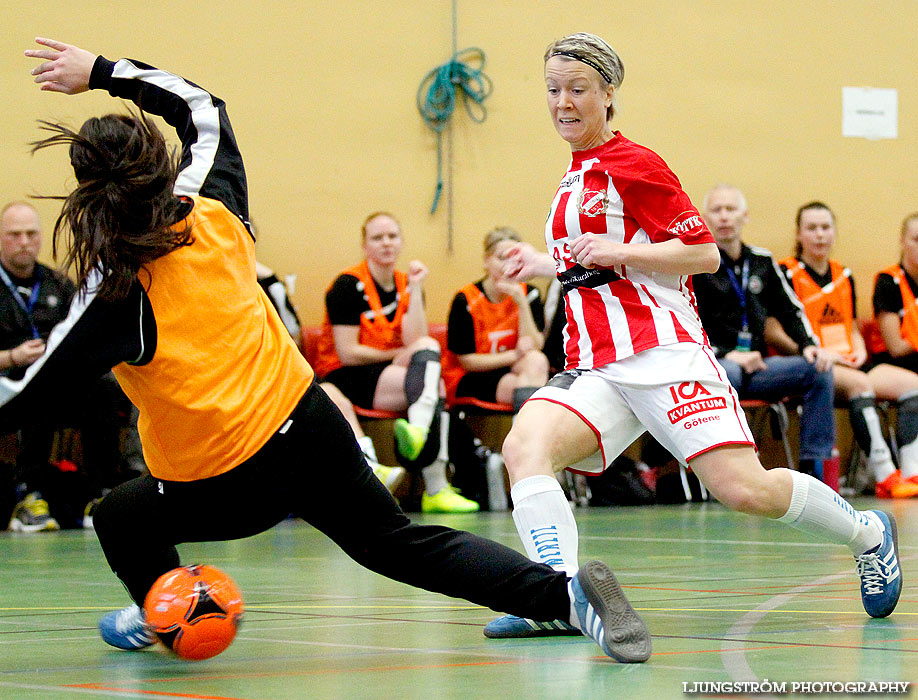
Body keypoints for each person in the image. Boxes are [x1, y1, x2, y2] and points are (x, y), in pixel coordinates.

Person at [10, 38, 652, 664]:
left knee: (124, 517)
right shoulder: (212, 208)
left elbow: (28, 396)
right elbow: (202, 106)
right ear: (157, 165)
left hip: (228, 476)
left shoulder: (115, 293)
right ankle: (566, 597)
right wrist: (99, 70)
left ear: (88, 194)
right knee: (396, 542)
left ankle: (167, 607)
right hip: (311, 422)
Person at [483, 32, 900, 641]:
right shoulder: (574, 175)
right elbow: (597, 262)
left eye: (577, 89)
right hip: (600, 364)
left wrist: (620, 248)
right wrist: (542, 263)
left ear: (607, 94)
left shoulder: (635, 163)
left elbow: (703, 253)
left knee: (745, 490)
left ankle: (868, 532)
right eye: (552, 90)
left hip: (664, 354)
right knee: (525, 448)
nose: (563, 102)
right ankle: (558, 597)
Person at [313, 212, 477, 512]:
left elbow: (418, 340)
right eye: (378, 237)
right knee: (435, 386)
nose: (386, 243)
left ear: (401, 243)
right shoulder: (347, 286)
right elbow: (348, 352)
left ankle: (418, 431)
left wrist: (415, 289)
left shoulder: (405, 282)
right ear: (365, 245)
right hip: (345, 374)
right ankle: (436, 487)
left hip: (387, 374)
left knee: (431, 363)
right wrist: (396, 355)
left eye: (392, 236)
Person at [0, 200, 131, 531]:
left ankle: (100, 495)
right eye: (15, 234)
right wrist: (13, 357)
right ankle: (30, 495)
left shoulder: (57, 283)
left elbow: (86, 334)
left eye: (31, 234)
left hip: (56, 377)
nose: (24, 241)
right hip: (9, 381)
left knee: (103, 386)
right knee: (37, 387)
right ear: (1, 238)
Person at [694, 184, 838, 481]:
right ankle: (731, 473)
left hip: (760, 367)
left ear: (744, 216)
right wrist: (724, 354)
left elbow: (791, 309)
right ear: (705, 217)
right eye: (717, 210)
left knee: (818, 370)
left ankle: (817, 470)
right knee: (727, 374)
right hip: (716, 365)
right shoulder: (695, 263)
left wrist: (808, 344)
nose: (724, 217)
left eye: (730, 209)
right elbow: (684, 323)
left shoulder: (761, 261)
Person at [777, 202, 918, 498]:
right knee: (860, 384)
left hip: (849, 361)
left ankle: (911, 472)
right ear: (799, 234)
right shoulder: (786, 272)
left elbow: (851, 325)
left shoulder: (844, 274)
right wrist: (809, 351)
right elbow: (773, 328)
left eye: (825, 228)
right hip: (811, 363)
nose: (819, 235)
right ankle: (884, 475)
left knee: (913, 386)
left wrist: (859, 351)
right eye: (812, 228)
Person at [257, 258, 405, 491]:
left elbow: (292, 334)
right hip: (240, 377)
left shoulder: (266, 282)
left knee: (333, 397)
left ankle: (369, 465)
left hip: (275, 368)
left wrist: (271, 278)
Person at [443, 226, 549, 411]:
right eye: (501, 258)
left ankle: (526, 429)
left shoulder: (528, 294)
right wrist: (514, 355)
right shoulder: (466, 299)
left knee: (537, 360)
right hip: (469, 376)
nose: (508, 266)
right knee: (527, 389)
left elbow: (535, 345)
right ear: (486, 260)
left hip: (511, 370)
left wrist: (521, 303)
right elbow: (466, 361)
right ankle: (527, 431)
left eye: (514, 259)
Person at [869, 211, 918, 483]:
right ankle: (912, 470)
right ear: (902, 242)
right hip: (888, 366)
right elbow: (896, 346)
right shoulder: (889, 282)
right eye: (917, 239)